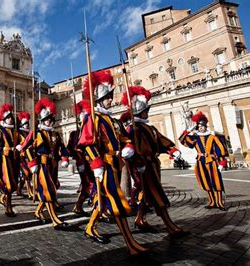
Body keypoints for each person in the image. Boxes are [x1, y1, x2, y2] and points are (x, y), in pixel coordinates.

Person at [77, 70, 148, 256]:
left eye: (110, 96)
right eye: (107, 97)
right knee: (117, 202)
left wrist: (128, 147)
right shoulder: (93, 118)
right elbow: (86, 143)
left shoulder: (113, 120)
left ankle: (90, 227)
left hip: (116, 164)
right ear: (100, 99)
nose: (110, 100)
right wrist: (96, 163)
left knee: (104, 200)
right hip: (104, 166)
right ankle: (130, 243)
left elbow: (124, 138)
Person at [121, 85, 188, 238]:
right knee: (157, 195)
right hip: (141, 166)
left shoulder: (149, 128)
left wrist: (172, 150)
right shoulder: (132, 129)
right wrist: (134, 155)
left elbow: (160, 141)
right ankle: (170, 226)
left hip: (152, 165)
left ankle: (139, 219)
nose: (147, 112)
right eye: (145, 111)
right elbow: (127, 145)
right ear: (140, 112)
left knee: (146, 196)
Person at [31, 98, 70, 230]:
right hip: (43, 165)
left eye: (50, 119)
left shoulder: (55, 134)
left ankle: (38, 212)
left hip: (53, 165)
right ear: (42, 120)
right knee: (48, 191)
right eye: (46, 119)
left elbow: (62, 147)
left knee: (52, 189)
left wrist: (64, 158)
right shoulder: (39, 134)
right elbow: (32, 150)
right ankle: (54, 219)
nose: (48, 121)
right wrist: (33, 164)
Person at [179, 111, 228, 211]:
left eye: (202, 126)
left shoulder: (212, 137)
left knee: (216, 182)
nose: (200, 128)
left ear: (206, 126)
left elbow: (220, 149)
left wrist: (222, 162)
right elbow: (182, 140)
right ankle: (212, 202)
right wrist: (189, 130)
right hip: (200, 162)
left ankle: (219, 203)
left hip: (212, 162)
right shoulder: (195, 138)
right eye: (199, 126)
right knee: (206, 182)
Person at [67, 99, 94, 217]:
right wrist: (77, 157)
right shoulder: (74, 133)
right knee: (88, 184)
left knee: (90, 184)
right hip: (82, 162)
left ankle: (79, 206)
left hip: (92, 161)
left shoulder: (90, 128)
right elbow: (69, 149)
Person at [0, 104, 20, 217]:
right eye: (8, 118)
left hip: (14, 159)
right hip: (5, 160)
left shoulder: (15, 132)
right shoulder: (1, 131)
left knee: (14, 183)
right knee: (9, 183)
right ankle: (8, 207)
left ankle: (3, 197)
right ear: (4, 119)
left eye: (11, 118)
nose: (10, 119)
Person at [15, 111, 34, 199]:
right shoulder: (18, 133)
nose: (27, 125)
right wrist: (19, 146)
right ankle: (30, 192)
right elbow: (15, 143)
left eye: (27, 123)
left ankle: (19, 189)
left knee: (28, 175)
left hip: (30, 156)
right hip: (21, 157)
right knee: (26, 174)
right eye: (25, 123)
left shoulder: (31, 133)